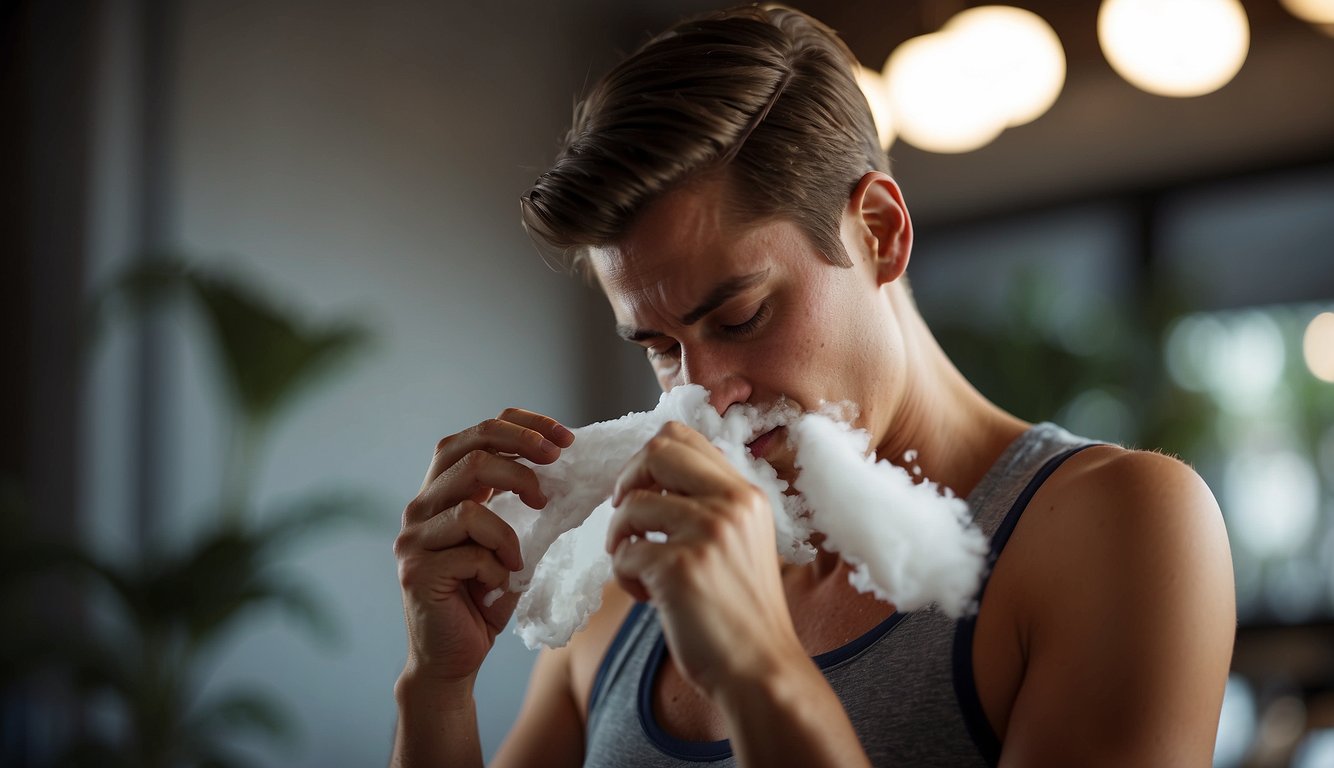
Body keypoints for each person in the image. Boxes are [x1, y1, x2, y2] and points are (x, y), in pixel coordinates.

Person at [390, 5, 1236, 766]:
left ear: (880, 231)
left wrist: (762, 667)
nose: (704, 393)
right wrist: (438, 688)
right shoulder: (629, 573)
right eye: (659, 346)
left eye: (741, 316)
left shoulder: (1115, 526)